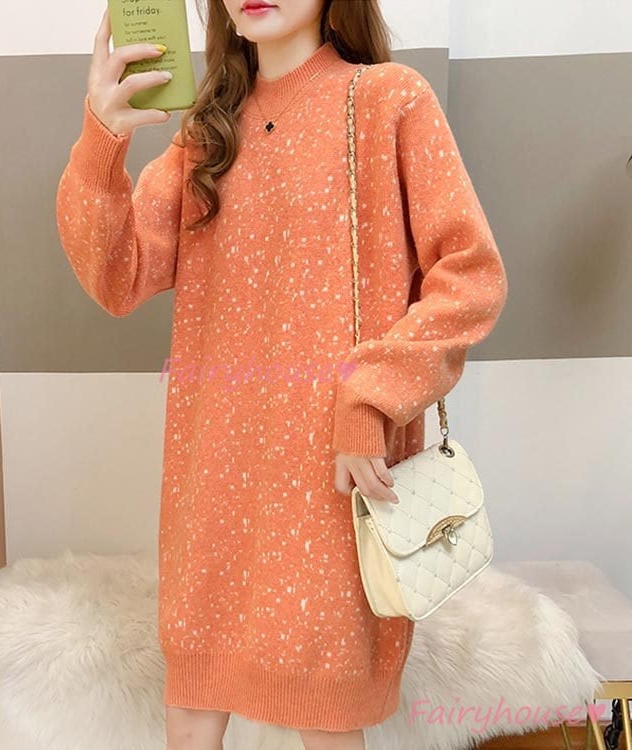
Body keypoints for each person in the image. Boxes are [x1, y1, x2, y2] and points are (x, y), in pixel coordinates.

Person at [55, 1, 509, 748]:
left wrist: (372, 397)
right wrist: (102, 138)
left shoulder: (388, 100)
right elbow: (118, 274)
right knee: (193, 707)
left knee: (322, 714)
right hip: (213, 477)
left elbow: (471, 278)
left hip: (332, 469)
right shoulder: (208, 134)